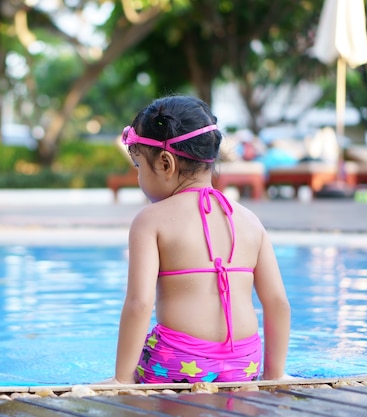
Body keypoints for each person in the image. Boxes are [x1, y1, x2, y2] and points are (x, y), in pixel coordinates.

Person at [103, 95, 290, 384]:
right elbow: (277, 302)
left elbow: (139, 304)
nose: (139, 177)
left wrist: (122, 380)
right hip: (245, 363)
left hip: (178, 362)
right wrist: (273, 376)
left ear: (166, 163)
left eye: (139, 166)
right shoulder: (250, 220)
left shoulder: (150, 220)